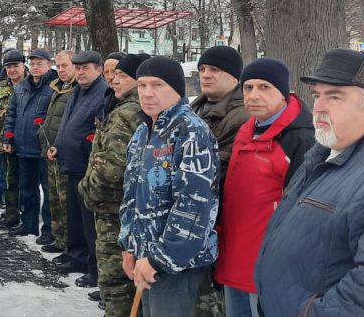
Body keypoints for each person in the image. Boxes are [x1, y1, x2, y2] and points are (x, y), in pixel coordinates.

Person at [255, 49, 364, 316]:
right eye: (317, 95)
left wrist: (308, 312)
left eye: (334, 96)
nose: (318, 107)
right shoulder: (324, 151)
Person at [119, 56, 219, 317]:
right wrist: (129, 245)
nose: (147, 93)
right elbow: (131, 193)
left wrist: (158, 259)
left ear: (176, 89)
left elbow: (194, 205)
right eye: (142, 85)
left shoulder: (191, 132)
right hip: (145, 258)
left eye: (157, 85)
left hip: (177, 265)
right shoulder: (144, 130)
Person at [216, 58, 313, 317]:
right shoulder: (246, 131)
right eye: (248, 88)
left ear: (282, 93)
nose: (254, 95)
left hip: (268, 264)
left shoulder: (300, 138)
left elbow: (303, 210)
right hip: (235, 254)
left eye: (264, 87)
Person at [78, 53, 147, 315]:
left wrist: (87, 189)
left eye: (122, 76)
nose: (115, 81)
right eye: (114, 75)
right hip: (120, 210)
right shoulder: (125, 107)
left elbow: (112, 169)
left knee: (115, 285)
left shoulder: (127, 113)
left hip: (113, 211)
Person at [189, 45, 248, 317]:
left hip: (219, 222)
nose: (206, 75)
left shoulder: (241, 115)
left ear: (234, 76)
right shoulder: (196, 107)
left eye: (214, 69)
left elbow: (215, 172)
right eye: (202, 69)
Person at [48, 51, 109, 288]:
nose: (81, 72)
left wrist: (84, 147)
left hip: (87, 165)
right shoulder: (76, 91)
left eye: (86, 68)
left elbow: (99, 130)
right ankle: (76, 256)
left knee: (89, 221)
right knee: (73, 216)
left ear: (98, 70)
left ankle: (93, 267)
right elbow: (66, 122)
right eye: (79, 68)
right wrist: (58, 145)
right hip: (70, 161)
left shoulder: (103, 93)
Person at [2, 48, 59, 238]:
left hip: (44, 148)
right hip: (23, 146)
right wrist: (8, 137)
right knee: (27, 190)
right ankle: (28, 224)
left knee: (48, 192)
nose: (35, 67)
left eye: (39, 64)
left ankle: (49, 229)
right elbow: (12, 113)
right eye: (32, 63)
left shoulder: (54, 86)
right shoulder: (21, 87)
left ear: (49, 65)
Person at [38, 50, 75, 255]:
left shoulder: (76, 90)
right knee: (54, 201)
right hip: (51, 151)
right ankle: (59, 239)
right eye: (58, 66)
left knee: (65, 202)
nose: (61, 70)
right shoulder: (58, 88)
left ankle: (68, 244)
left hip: (66, 154)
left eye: (65, 65)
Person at [0, 49, 26, 228]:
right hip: (6, 142)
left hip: (27, 142)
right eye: (9, 67)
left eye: (15, 66)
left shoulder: (32, 85)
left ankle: (28, 215)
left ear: (23, 66)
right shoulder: (0, 88)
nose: (12, 70)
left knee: (27, 182)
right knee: (9, 181)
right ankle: (11, 214)